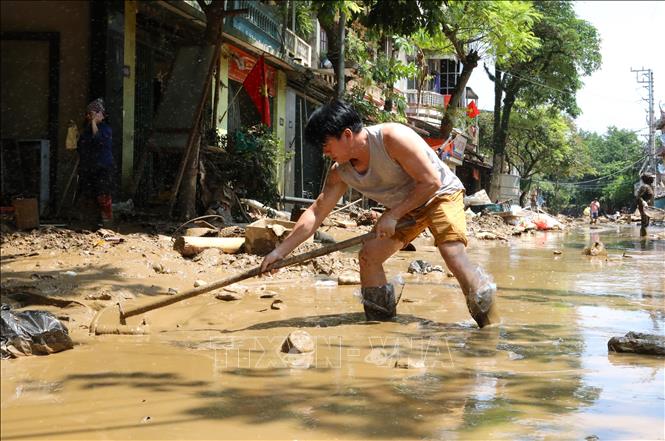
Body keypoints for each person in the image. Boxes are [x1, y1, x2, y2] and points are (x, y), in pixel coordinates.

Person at [260, 100, 497, 327]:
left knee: (451, 252)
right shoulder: (340, 172)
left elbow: (430, 182)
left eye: (326, 145)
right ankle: (379, 324)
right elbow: (316, 212)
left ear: (346, 135)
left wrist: (393, 215)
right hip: (404, 208)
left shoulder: (392, 138)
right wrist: (280, 251)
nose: (325, 152)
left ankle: (489, 326)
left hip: (439, 194)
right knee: (368, 257)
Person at [76, 98, 114, 228]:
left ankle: (107, 223)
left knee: (103, 194)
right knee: (89, 194)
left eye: (96, 113)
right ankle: (90, 222)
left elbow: (98, 140)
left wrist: (94, 123)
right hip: (89, 167)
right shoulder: (85, 131)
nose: (93, 116)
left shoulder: (106, 129)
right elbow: (81, 146)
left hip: (103, 167)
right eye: (91, 114)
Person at [636, 173, 655, 237]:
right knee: (644, 223)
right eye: (651, 177)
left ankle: (644, 238)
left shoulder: (650, 187)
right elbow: (639, 197)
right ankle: (642, 240)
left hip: (649, 208)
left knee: (647, 223)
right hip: (644, 207)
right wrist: (644, 202)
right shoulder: (644, 187)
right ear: (647, 179)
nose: (653, 179)